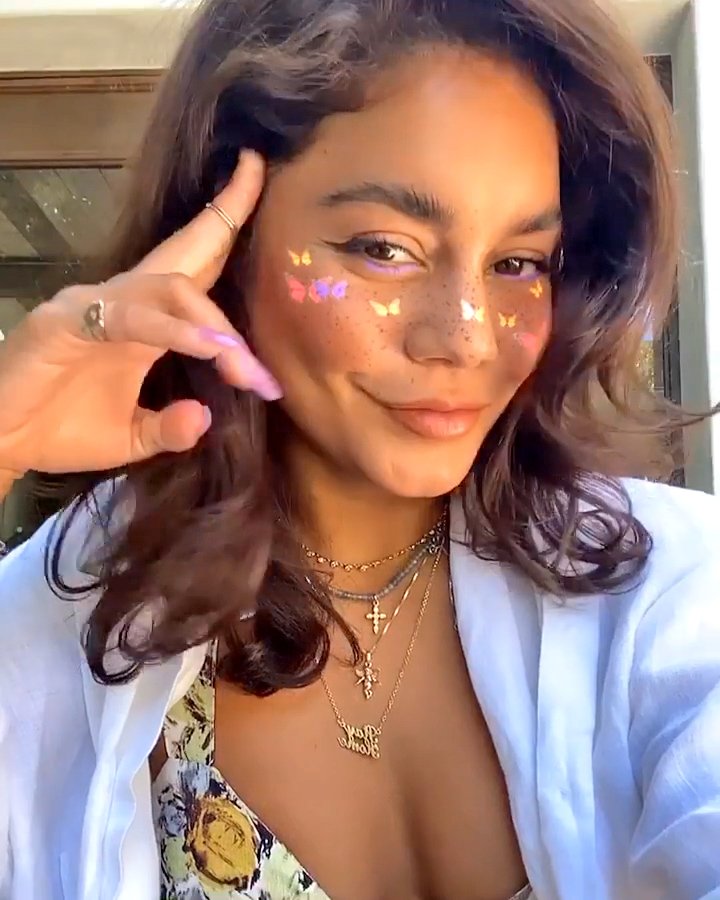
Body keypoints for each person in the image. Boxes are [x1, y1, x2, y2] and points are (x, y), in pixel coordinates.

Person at [0, 0, 719, 897]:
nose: (466, 338)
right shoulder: (62, 615)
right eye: (386, 249)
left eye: (519, 264)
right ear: (229, 244)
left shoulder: (671, 587)